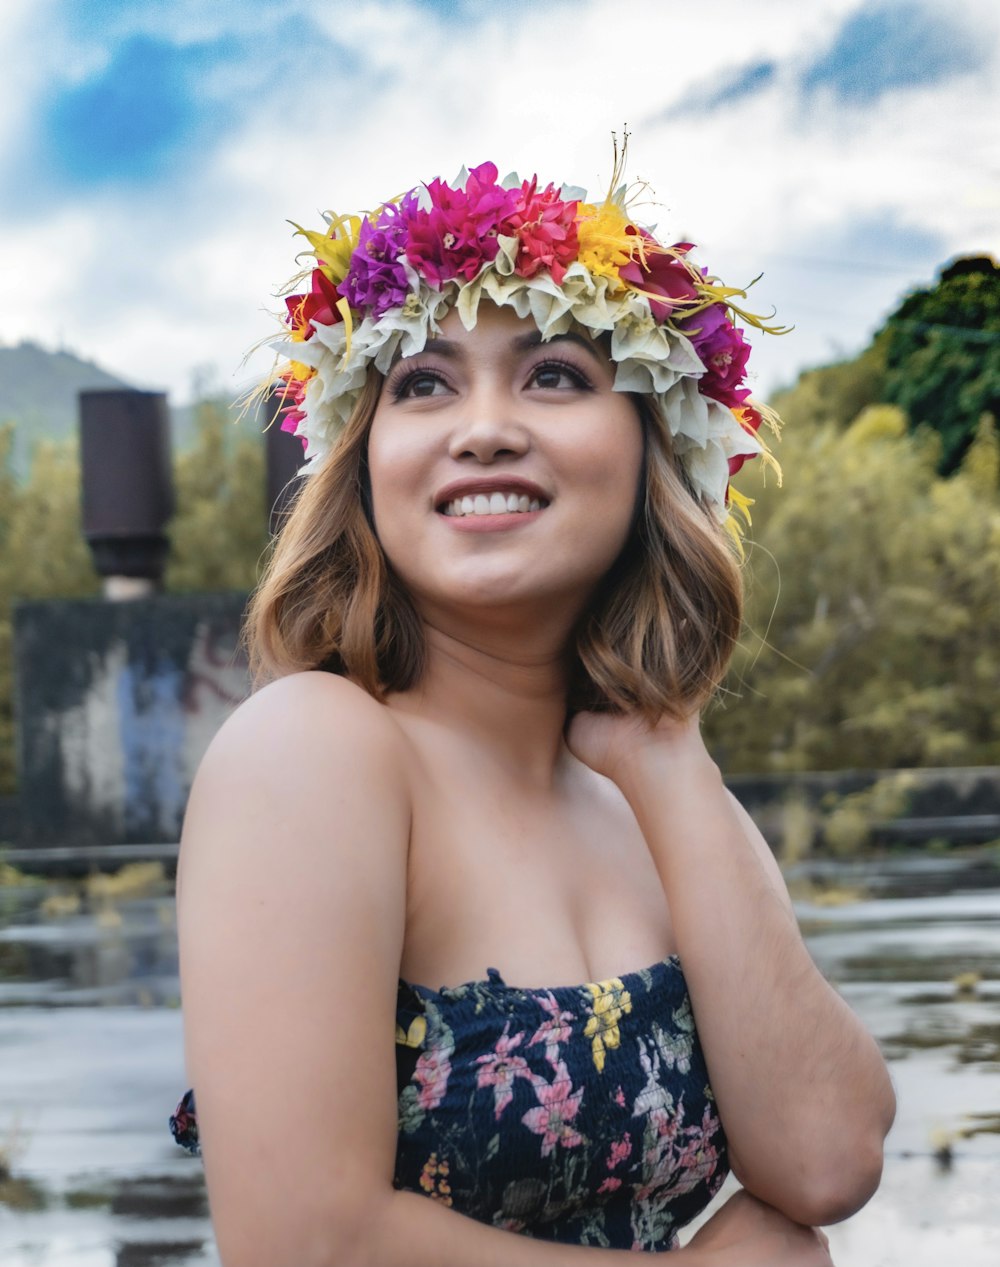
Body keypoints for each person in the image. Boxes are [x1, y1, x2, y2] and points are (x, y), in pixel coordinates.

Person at [170, 152, 896, 1264]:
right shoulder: (312, 749)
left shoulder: (649, 791)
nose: (484, 429)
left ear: (651, 448)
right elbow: (307, 1241)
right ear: (365, 462)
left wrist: (665, 756)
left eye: (552, 375)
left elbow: (823, 1159)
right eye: (423, 383)